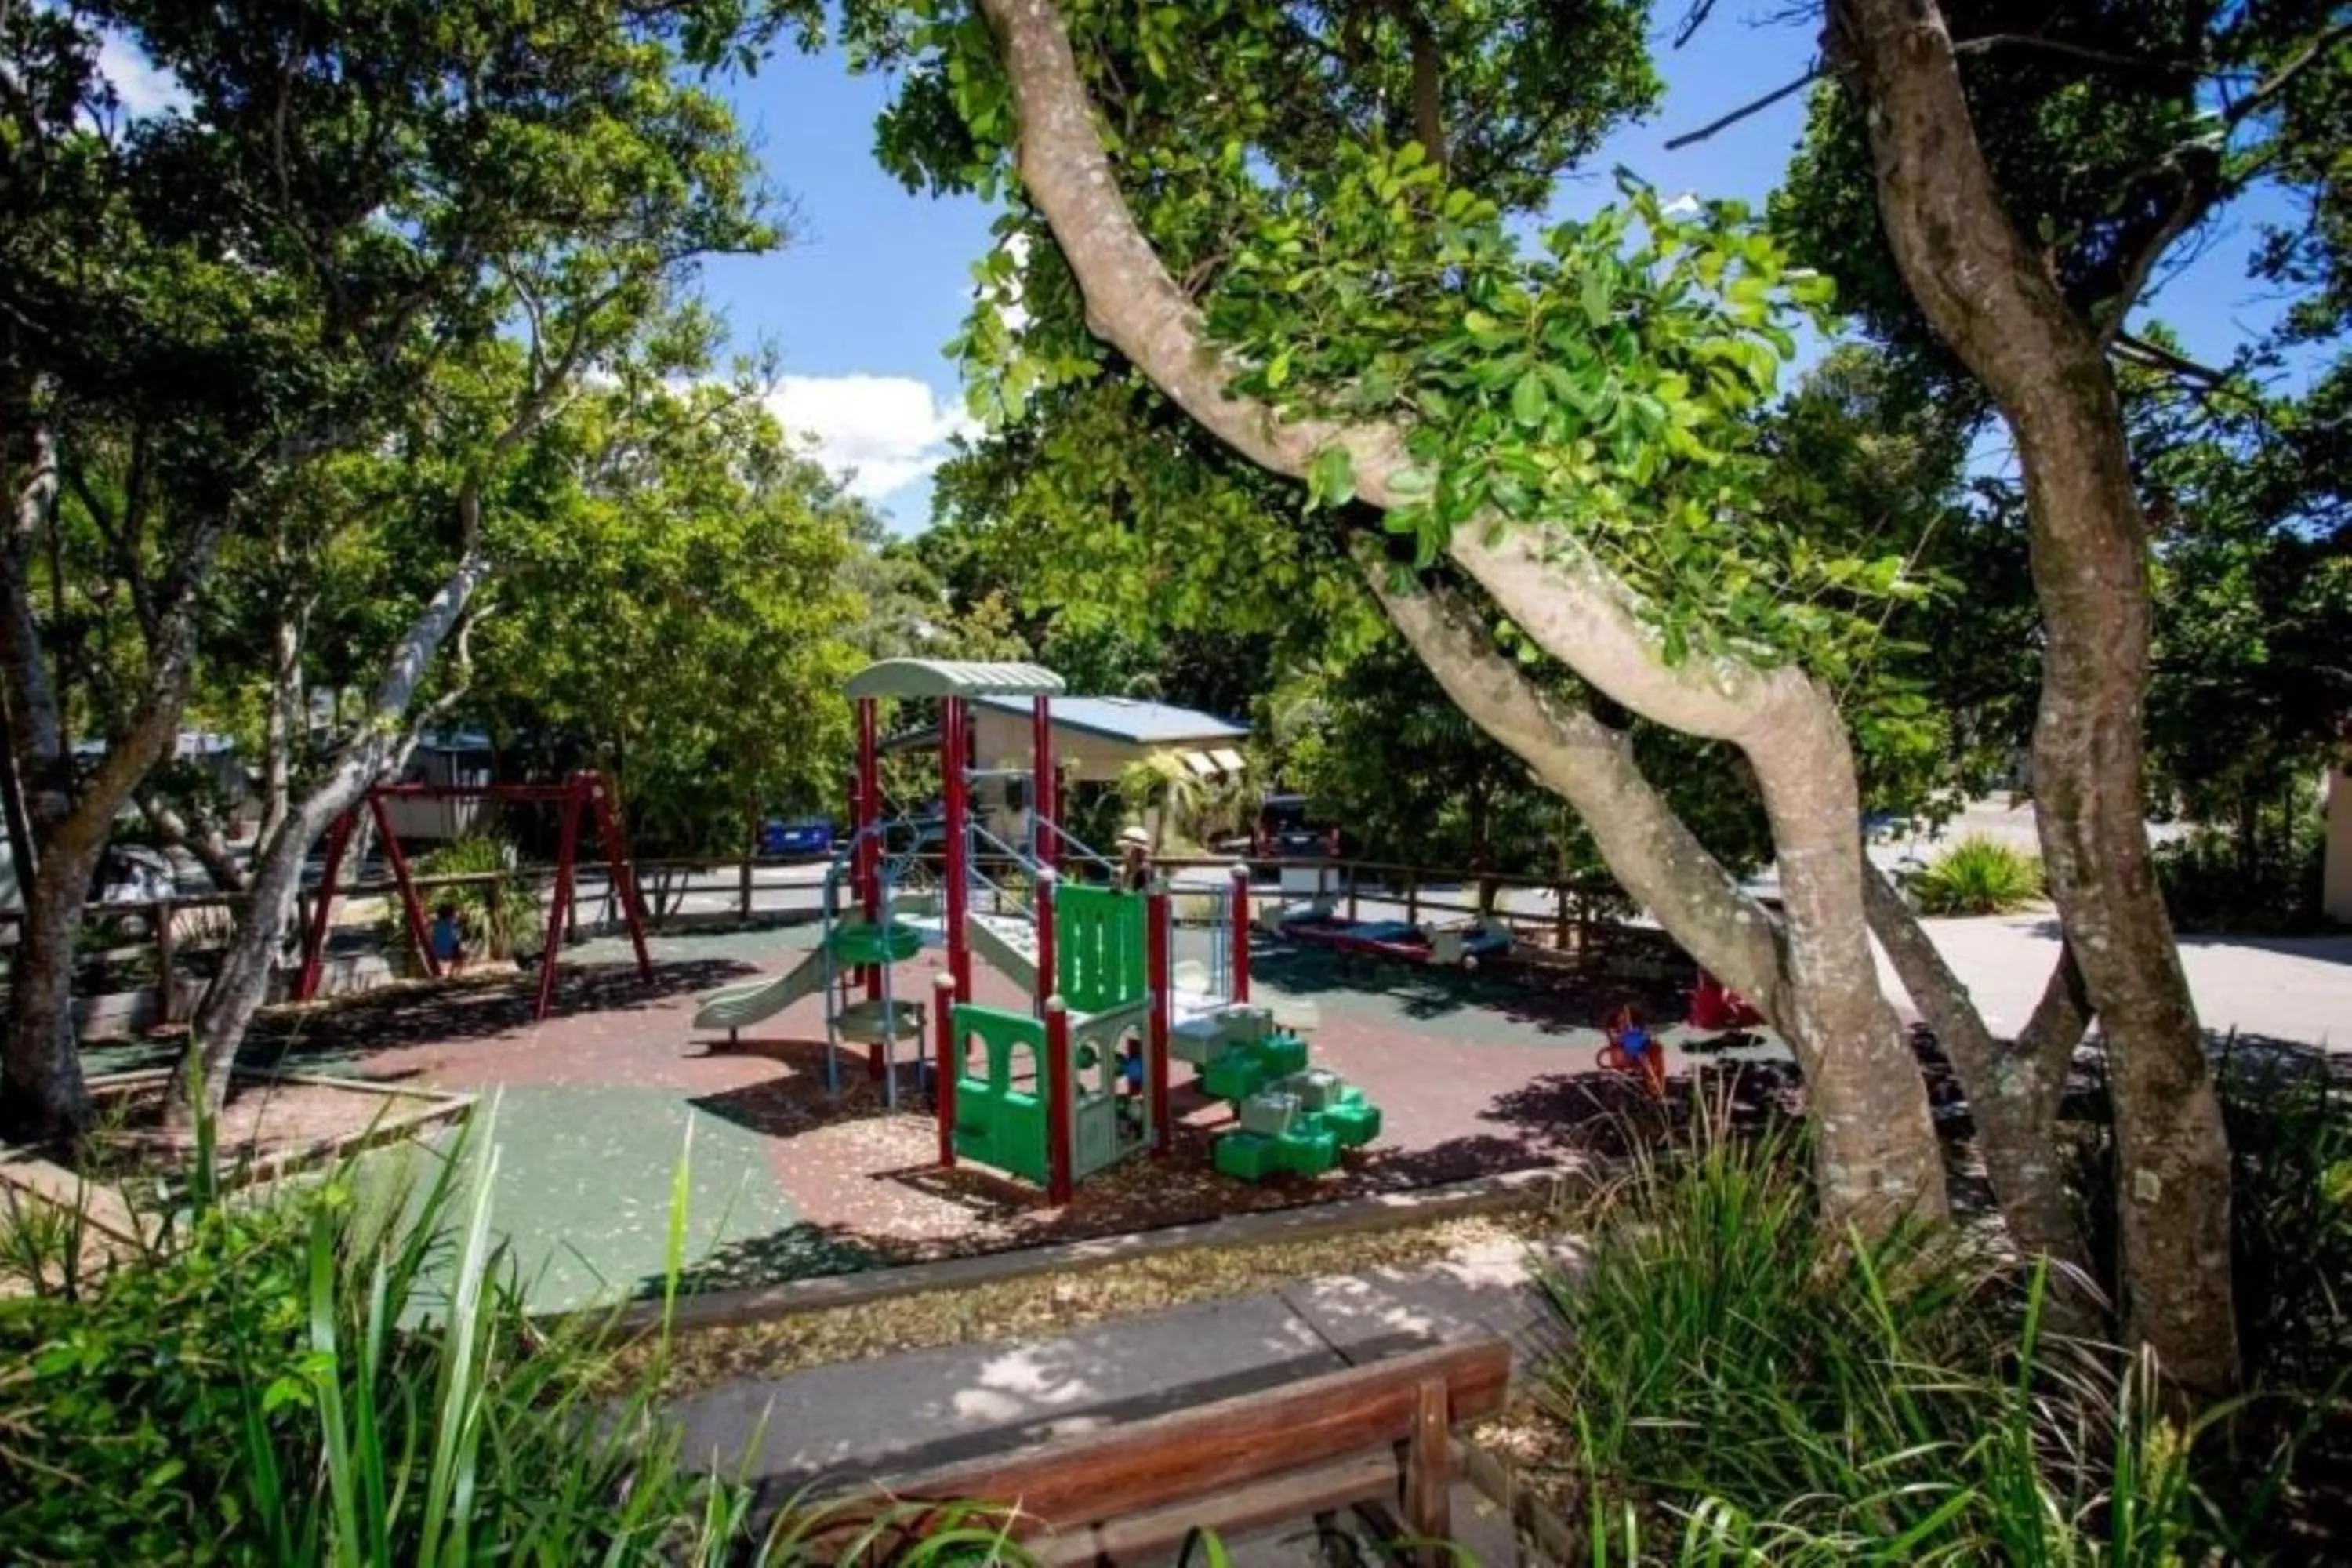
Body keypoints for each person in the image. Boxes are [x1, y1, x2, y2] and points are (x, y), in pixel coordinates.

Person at [428, 900, 469, 974]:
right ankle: (453, 973)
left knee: (458, 947)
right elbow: (461, 921)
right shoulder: (452, 922)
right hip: (450, 948)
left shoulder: (437, 922)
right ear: (451, 914)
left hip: (439, 948)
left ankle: (450, 973)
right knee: (460, 954)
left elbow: (430, 921)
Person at [1116, 824, 1153, 892]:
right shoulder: (1125, 871)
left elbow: (1139, 899)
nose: (1122, 852)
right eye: (1123, 847)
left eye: (1126, 847)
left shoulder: (1144, 873)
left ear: (1138, 851)